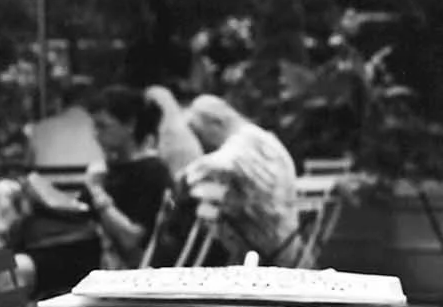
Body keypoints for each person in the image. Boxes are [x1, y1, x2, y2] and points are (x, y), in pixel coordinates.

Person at [183, 94, 301, 263]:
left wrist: (182, 176)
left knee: (196, 222)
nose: (203, 143)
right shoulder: (257, 137)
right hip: (279, 236)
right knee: (207, 213)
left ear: (216, 123)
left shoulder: (246, 142)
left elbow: (217, 164)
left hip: (271, 242)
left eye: (201, 134)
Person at [81, 85, 176, 268]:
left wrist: (97, 191)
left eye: (103, 126)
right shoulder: (108, 169)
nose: (96, 135)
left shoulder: (152, 171)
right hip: (79, 249)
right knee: (12, 262)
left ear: (130, 125)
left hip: (120, 267)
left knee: (16, 269)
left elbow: (130, 238)